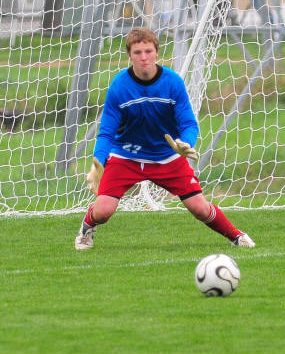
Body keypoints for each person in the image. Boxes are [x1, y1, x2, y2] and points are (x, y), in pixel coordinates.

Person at [75, 27, 255, 250]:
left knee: (199, 208)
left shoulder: (172, 82)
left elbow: (189, 124)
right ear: (129, 55)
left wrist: (186, 142)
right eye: (138, 52)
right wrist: (98, 162)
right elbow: (106, 133)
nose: (144, 57)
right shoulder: (119, 86)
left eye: (148, 51)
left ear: (157, 52)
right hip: (126, 156)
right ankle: (86, 228)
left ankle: (237, 236)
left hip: (166, 157)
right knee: (103, 211)